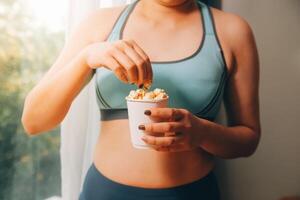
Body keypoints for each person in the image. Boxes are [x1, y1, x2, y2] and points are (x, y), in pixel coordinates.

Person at [21, 0, 261, 199]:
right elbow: (34, 121)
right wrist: (86, 58)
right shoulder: (99, 25)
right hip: (104, 193)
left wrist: (203, 133)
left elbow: (248, 139)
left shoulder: (232, 30)